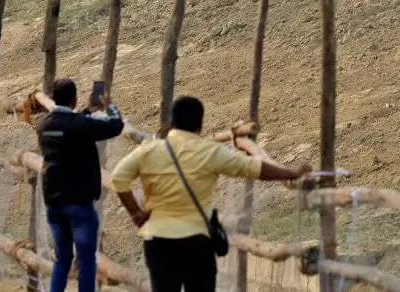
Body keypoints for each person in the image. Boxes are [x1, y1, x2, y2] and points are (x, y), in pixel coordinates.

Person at [111, 96, 311, 291]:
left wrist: (136, 213)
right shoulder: (210, 152)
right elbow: (255, 168)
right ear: (199, 124)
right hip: (196, 242)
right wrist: (290, 173)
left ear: (172, 122)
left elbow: (118, 178)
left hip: (159, 240)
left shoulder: (149, 150)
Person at [37, 78, 126, 292]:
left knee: (62, 259)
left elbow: (69, 127)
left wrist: (86, 111)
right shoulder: (80, 126)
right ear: (74, 100)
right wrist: (110, 106)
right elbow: (115, 126)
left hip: (54, 202)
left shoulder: (43, 125)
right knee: (86, 261)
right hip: (79, 204)